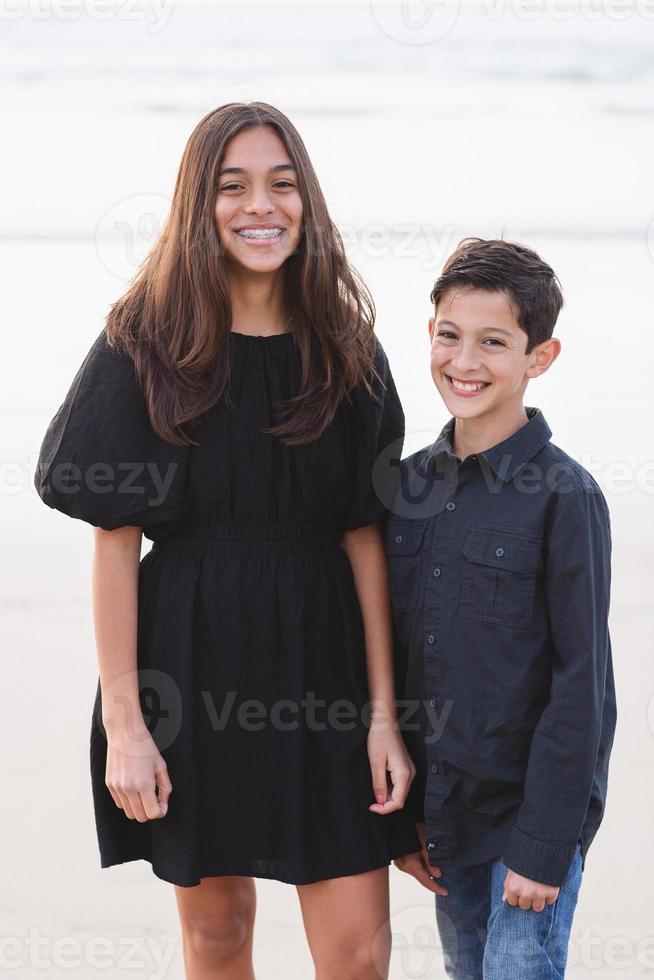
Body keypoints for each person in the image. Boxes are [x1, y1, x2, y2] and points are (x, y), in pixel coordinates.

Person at [33, 102, 420, 980]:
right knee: (216, 934)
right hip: (190, 662)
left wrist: (385, 716)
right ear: (196, 205)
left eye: (283, 185)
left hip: (327, 670)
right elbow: (113, 543)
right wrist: (127, 726)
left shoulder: (347, 348)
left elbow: (367, 537)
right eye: (233, 186)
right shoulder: (144, 346)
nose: (261, 206)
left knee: (360, 952)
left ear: (306, 203)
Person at [386, 238, 616, 979]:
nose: (465, 361)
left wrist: (546, 846)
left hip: (525, 830)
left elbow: (583, 686)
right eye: (450, 336)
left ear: (539, 357)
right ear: (429, 336)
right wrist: (410, 817)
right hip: (445, 823)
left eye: (494, 342)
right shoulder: (405, 489)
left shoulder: (565, 497)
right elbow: (401, 658)